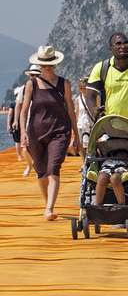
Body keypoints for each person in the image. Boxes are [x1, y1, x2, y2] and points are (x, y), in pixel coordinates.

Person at [19, 46, 80, 220]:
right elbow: (24, 111)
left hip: (60, 131)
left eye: (51, 65)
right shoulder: (31, 84)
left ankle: (50, 208)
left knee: (53, 168)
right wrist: (23, 131)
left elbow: (70, 110)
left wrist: (75, 134)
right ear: (39, 65)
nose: (48, 67)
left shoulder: (64, 84)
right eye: (45, 64)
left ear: (55, 65)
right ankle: (48, 205)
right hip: (36, 133)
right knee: (41, 170)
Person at [85, 33, 128, 131]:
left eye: (126, 43)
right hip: (108, 125)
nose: (123, 46)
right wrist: (93, 108)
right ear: (110, 49)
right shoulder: (101, 68)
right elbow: (90, 96)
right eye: (118, 44)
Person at [14, 65, 42, 176]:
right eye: (32, 75)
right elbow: (18, 105)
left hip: (40, 121)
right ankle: (30, 165)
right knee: (25, 149)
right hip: (27, 121)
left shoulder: (43, 87)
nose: (34, 77)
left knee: (39, 147)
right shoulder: (23, 89)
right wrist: (15, 120)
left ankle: (38, 167)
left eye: (36, 75)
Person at [73, 77, 94, 162]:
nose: (83, 90)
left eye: (85, 88)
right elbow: (76, 112)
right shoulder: (78, 99)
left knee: (91, 145)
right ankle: (84, 162)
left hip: (91, 124)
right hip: (81, 124)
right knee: (80, 145)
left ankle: (91, 162)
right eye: (81, 89)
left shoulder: (94, 98)